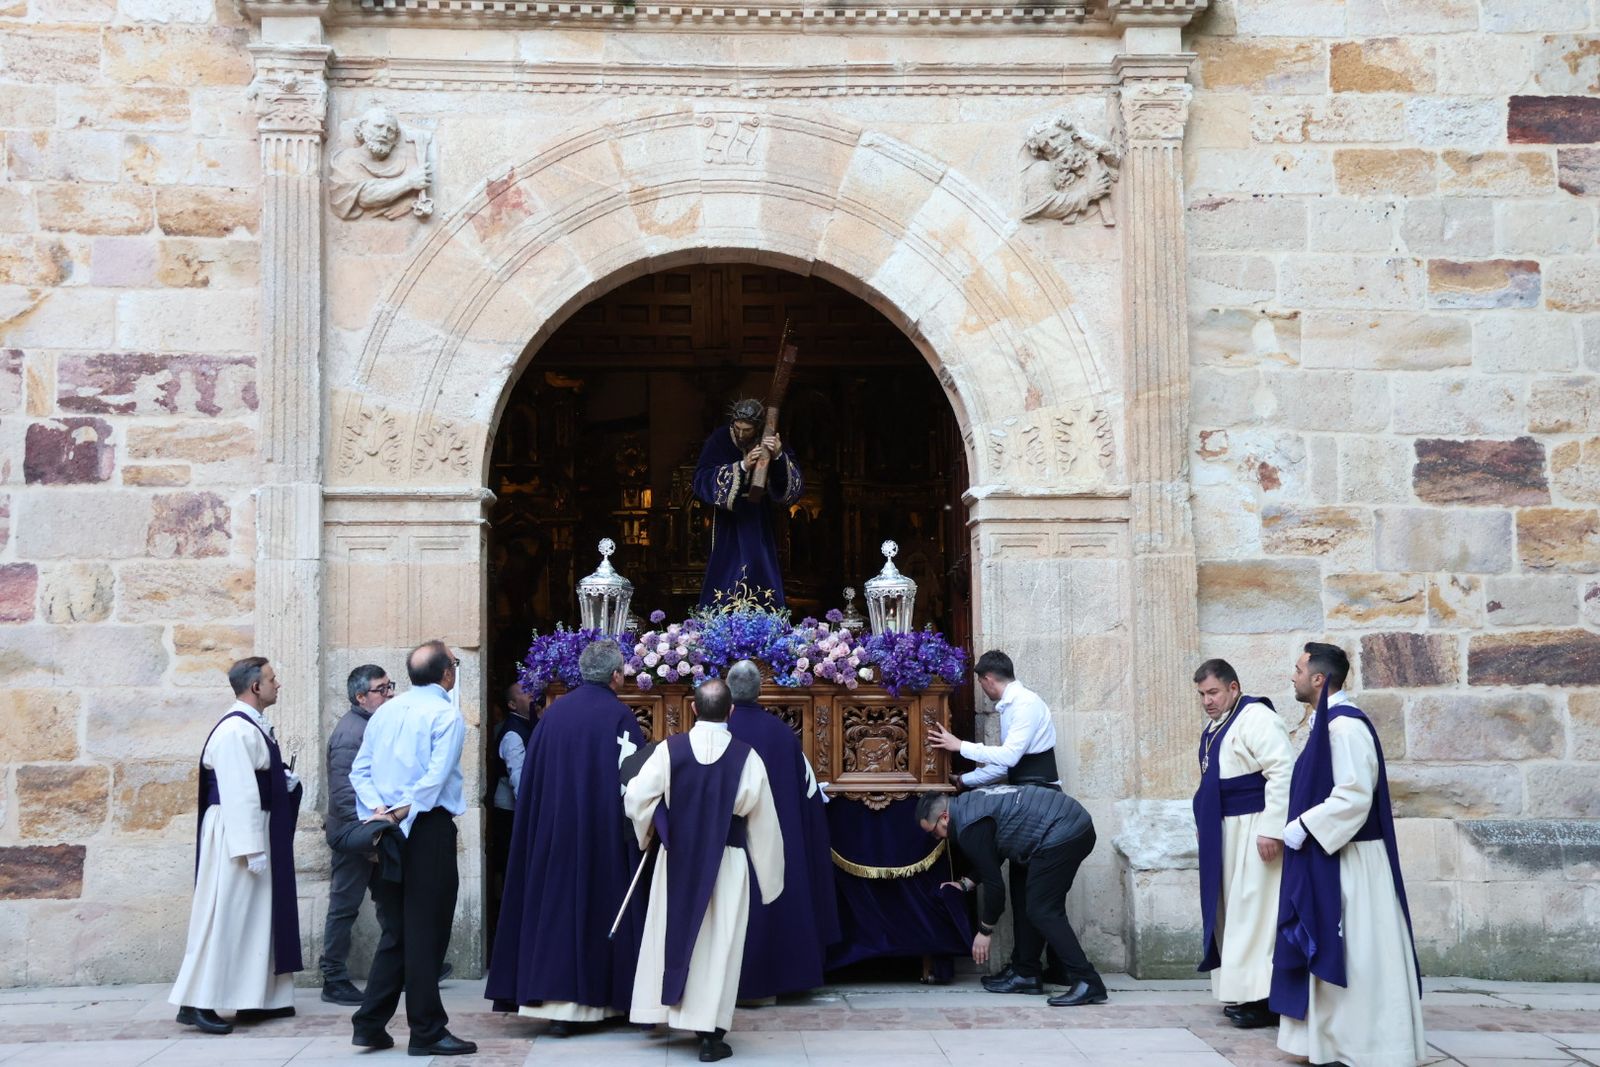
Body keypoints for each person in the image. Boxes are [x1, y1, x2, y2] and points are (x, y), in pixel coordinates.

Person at [1271, 643, 1426, 1067]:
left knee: (1360, 955)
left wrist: (1302, 827)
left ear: (1319, 679)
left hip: (1353, 862)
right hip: (1334, 856)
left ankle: (1369, 1044)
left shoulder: (1345, 727)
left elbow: (1354, 796)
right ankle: (1329, 1040)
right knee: (1341, 949)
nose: (1293, 676)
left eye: (1298, 668)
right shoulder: (1328, 723)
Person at [485, 640, 649, 1033]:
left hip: (554, 834)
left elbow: (533, 781)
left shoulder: (552, 717)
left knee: (556, 909)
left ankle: (554, 1000)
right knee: (598, 910)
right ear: (614, 676)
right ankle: (593, 1002)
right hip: (601, 835)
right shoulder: (619, 716)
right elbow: (635, 784)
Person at [625, 678, 785, 1062]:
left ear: (693, 709)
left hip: (677, 858)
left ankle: (663, 1011)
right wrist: (770, 877)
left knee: (672, 934)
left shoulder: (668, 750)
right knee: (721, 945)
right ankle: (712, 1034)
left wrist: (655, 827)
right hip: (727, 861)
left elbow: (635, 797)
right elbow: (762, 821)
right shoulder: (748, 757)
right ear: (731, 712)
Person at [347, 641, 475, 1057]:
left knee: (400, 930)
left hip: (387, 827)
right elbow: (433, 781)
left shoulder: (385, 711)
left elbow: (360, 770)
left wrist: (379, 809)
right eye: (453, 664)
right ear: (447, 675)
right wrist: (399, 812)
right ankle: (427, 1030)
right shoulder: (445, 715)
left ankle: (369, 1022)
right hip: (423, 828)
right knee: (427, 931)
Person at [170, 657, 302, 1035]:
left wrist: (282, 781)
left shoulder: (251, 727)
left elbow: (255, 778)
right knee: (225, 914)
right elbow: (238, 790)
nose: (278, 685)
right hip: (237, 832)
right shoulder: (233, 731)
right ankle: (197, 1001)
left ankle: (255, 997)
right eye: (272, 679)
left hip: (253, 827)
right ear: (255, 687)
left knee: (256, 917)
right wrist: (251, 848)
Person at [926, 649, 1062, 993]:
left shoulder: (1025, 705)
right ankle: (1025, 967)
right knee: (1022, 894)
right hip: (1024, 801)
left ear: (987, 680)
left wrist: (961, 746)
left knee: (1029, 895)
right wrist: (964, 782)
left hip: (1039, 804)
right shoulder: (1012, 707)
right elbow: (1004, 767)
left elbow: (1010, 757)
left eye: (981, 683)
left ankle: (1032, 971)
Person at [917, 785, 1105, 1007]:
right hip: (1056, 828)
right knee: (1026, 899)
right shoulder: (967, 806)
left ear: (944, 817)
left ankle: (1087, 980)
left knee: (1043, 910)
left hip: (1065, 831)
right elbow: (991, 854)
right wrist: (965, 883)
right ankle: (1026, 973)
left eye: (933, 831)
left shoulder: (967, 826)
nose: (937, 837)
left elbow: (995, 886)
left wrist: (985, 931)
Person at [724, 659, 839, 1001]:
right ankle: (779, 979)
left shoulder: (721, 730)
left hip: (733, 838)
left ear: (729, 693)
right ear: (760, 691)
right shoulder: (782, 733)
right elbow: (808, 791)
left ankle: (739, 984)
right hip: (778, 837)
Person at [1190, 658, 1294, 1030]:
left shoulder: (1257, 717)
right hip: (1226, 832)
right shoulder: (1216, 726)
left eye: (1213, 692)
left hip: (1253, 829)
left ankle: (1263, 998)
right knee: (1232, 913)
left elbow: (1282, 770)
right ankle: (1239, 990)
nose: (1207, 700)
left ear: (1233, 688)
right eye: (1202, 694)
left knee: (1255, 914)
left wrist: (1272, 828)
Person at [320, 663, 394, 1006]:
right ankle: (333, 977)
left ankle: (401, 965)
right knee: (345, 906)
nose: (390, 693)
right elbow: (345, 793)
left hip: (373, 832)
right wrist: (367, 839)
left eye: (389, 685)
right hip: (356, 835)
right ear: (361, 697)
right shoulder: (351, 733)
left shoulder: (373, 725)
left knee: (390, 901)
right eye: (381, 689)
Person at [691, 398, 803, 607]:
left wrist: (779, 456)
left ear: (758, 427)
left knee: (759, 565)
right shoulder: (719, 439)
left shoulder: (772, 439)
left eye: (748, 430)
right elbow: (700, 480)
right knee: (726, 570)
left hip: (761, 519)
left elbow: (793, 489)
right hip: (728, 521)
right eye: (737, 428)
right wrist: (742, 466)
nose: (741, 434)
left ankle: (764, 619)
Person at [329, 105, 433, 220]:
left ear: (396, 138)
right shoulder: (347, 159)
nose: (384, 134)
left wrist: (408, 201)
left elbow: (416, 191)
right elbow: (365, 197)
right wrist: (408, 183)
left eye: (390, 131)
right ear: (361, 130)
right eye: (378, 127)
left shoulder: (406, 159)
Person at [488, 681, 535, 905]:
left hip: (514, 809)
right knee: (508, 861)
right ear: (512, 704)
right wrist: (530, 810)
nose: (531, 695)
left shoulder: (526, 726)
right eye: (524, 693)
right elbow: (519, 777)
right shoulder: (513, 735)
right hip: (510, 810)